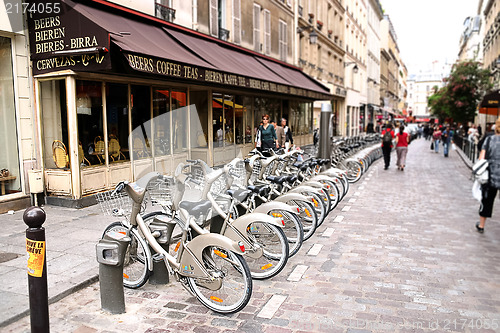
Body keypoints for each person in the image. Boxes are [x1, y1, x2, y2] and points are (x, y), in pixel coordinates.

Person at [476, 118, 500, 233]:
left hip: (491, 175)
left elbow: (482, 157)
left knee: (487, 200)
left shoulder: (490, 139)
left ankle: (481, 225)